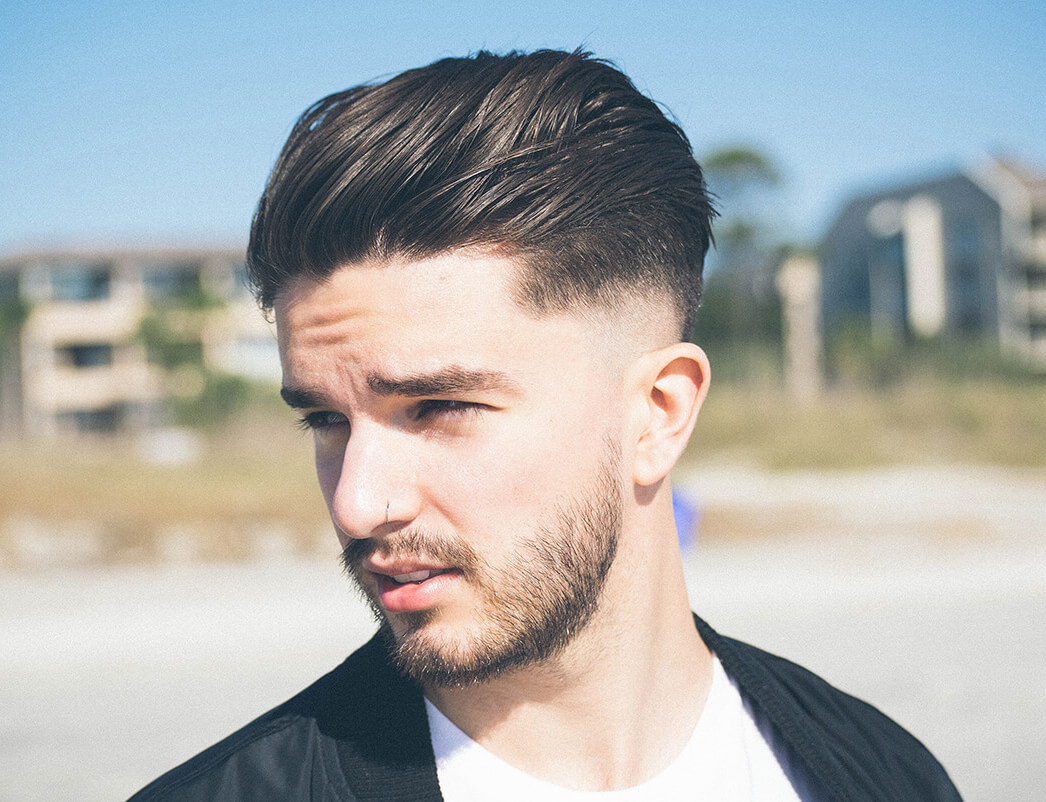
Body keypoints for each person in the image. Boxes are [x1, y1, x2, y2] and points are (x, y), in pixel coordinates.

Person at [131, 49, 961, 801]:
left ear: (658, 413)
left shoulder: (881, 774)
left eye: (439, 407)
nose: (356, 504)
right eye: (324, 419)